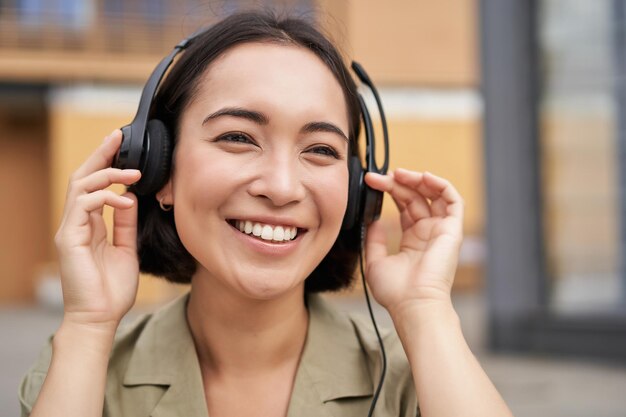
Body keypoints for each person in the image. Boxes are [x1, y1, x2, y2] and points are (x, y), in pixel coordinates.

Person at [19, 10, 514, 417]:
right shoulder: (84, 371)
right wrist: (88, 324)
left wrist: (427, 309)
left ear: (358, 189)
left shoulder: (417, 380)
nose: (280, 188)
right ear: (157, 168)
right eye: (237, 138)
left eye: (320, 149)